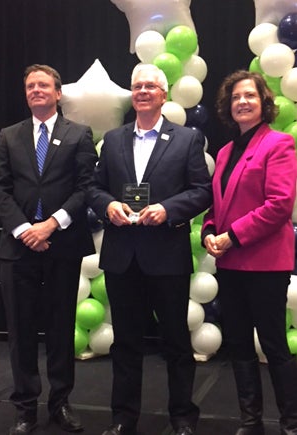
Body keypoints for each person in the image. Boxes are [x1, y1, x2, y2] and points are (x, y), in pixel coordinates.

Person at [87, 63, 212, 435]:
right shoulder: (113, 139)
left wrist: (168, 209)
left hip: (166, 257)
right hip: (123, 257)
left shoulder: (188, 140)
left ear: (163, 94)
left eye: (150, 86)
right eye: (137, 86)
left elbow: (202, 191)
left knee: (176, 342)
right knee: (125, 343)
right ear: (132, 94)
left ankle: (182, 418)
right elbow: (94, 188)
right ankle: (124, 418)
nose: (142, 91)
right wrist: (107, 204)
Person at [0, 64, 98, 434]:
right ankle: (25, 408)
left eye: (43, 85)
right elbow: (0, 189)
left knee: (60, 329)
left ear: (58, 93)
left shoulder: (79, 135)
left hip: (62, 244)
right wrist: (25, 229)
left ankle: (60, 404)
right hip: (18, 246)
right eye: (30, 86)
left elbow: (86, 187)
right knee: (20, 333)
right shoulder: (9, 136)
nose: (36, 90)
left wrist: (51, 223)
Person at [202, 69, 297, 435]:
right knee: (238, 343)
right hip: (231, 263)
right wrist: (210, 231)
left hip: (265, 264)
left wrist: (232, 236)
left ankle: (290, 424)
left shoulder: (279, 144)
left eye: (251, 96)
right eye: (237, 96)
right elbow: (218, 206)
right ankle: (250, 420)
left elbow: (279, 205)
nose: (243, 101)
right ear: (229, 105)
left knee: (273, 345)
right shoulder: (225, 152)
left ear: (264, 103)